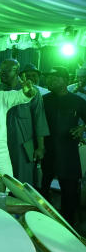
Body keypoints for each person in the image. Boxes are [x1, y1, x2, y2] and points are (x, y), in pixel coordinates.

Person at [0, 58, 49, 187]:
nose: (2, 73)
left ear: (16, 71)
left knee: (23, 184)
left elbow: (39, 119)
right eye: (1, 70)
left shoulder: (30, 91)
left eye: (6, 71)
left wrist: (40, 147)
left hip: (22, 147)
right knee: (0, 182)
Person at [41, 67, 86, 225]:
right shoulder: (43, 100)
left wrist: (81, 128)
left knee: (69, 194)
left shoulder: (77, 101)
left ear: (66, 80)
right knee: (42, 192)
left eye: (55, 77)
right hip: (47, 152)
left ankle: (69, 228)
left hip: (68, 154)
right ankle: (43, 224)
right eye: (48, 77)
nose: (50, 80)